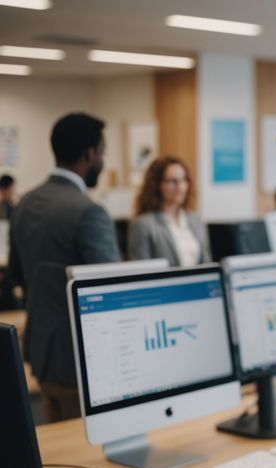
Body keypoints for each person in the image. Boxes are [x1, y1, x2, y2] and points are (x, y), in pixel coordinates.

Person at [8, 113, 121, 422]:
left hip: (41, 351)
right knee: (86, 458)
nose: (103, 160)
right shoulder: (88, 212)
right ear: (89, 154)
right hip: (84, 360)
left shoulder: (25, 203)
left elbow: (16, 274)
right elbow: (113, 292)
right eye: (102, 152)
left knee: (59, 449)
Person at [127, 156, 209, 266]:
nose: (180, 186)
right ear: (156, 185)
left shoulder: (196, 220)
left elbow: (207, 264)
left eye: (184, 180)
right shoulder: (142, 225)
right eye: (173, 181)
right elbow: (141, 273)